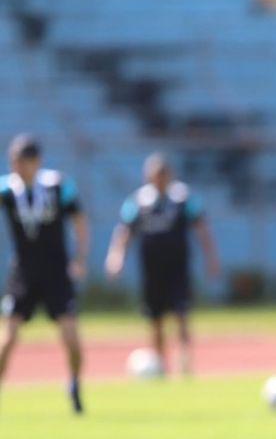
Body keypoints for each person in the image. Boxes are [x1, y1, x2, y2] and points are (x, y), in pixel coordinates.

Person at [104, 153, 219, 375]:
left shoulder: (183, 198)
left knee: (181, 313)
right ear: (148, 176)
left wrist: (211, 258)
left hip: (178, 267)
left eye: (163, 174)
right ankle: (160, 364)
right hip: (152, 269)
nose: (160, 179)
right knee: (155, 318)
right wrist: (116, 256)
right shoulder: (138, 201)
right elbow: (124, 231)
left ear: (170, 175)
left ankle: (185, 361)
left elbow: (202, 228)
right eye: (155, 175)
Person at [0, 135, 89, 413]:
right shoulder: (6, 190)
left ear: (36, 161)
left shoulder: (58, 185)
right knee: (8, 338)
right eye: (14, 161)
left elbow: (79, 221)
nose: (18, 167)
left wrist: (80, 258)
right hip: (23, 273)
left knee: (71, 337)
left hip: (56, 273)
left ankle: (74, 384)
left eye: (23, 161)